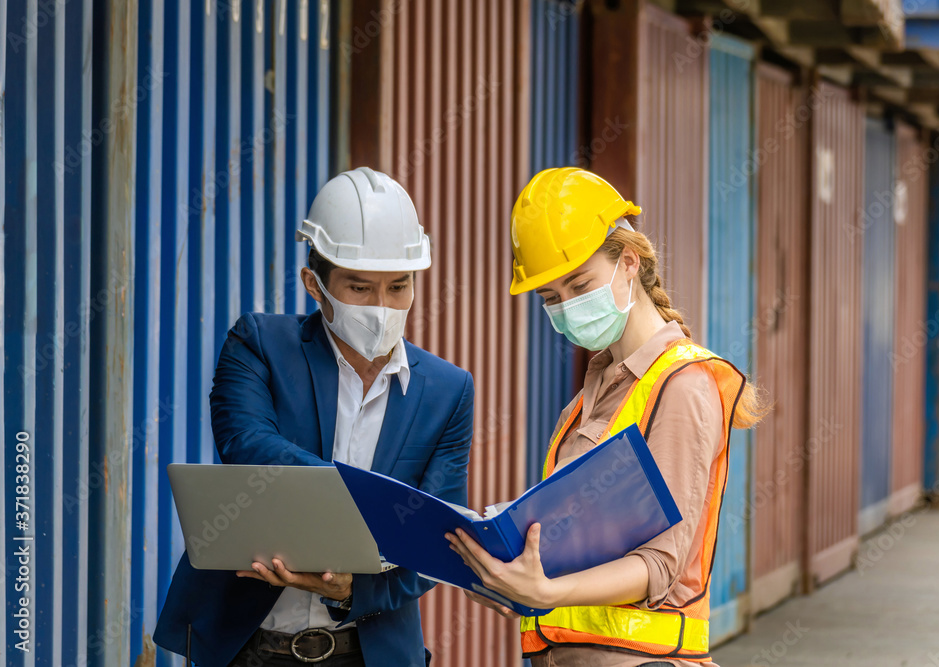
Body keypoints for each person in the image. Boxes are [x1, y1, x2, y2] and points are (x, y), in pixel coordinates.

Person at [154, 167, 475, 667]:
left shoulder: (449, 391)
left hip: (366, 654)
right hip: (247, 649)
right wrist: (361, 507)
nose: (382, 308)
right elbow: (246, 443)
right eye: (360, 288)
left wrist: (354, 589)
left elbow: (438, 545)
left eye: (398, 287)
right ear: (314, 284)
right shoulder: (258, 343)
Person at [448, 167, 768, 666]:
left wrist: (546, 593)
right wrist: (511, 576)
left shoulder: (681, 385)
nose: (568, 307)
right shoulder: (585, 400)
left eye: (579, 284)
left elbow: (661, 564)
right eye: (551, 298)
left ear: (628, 265)